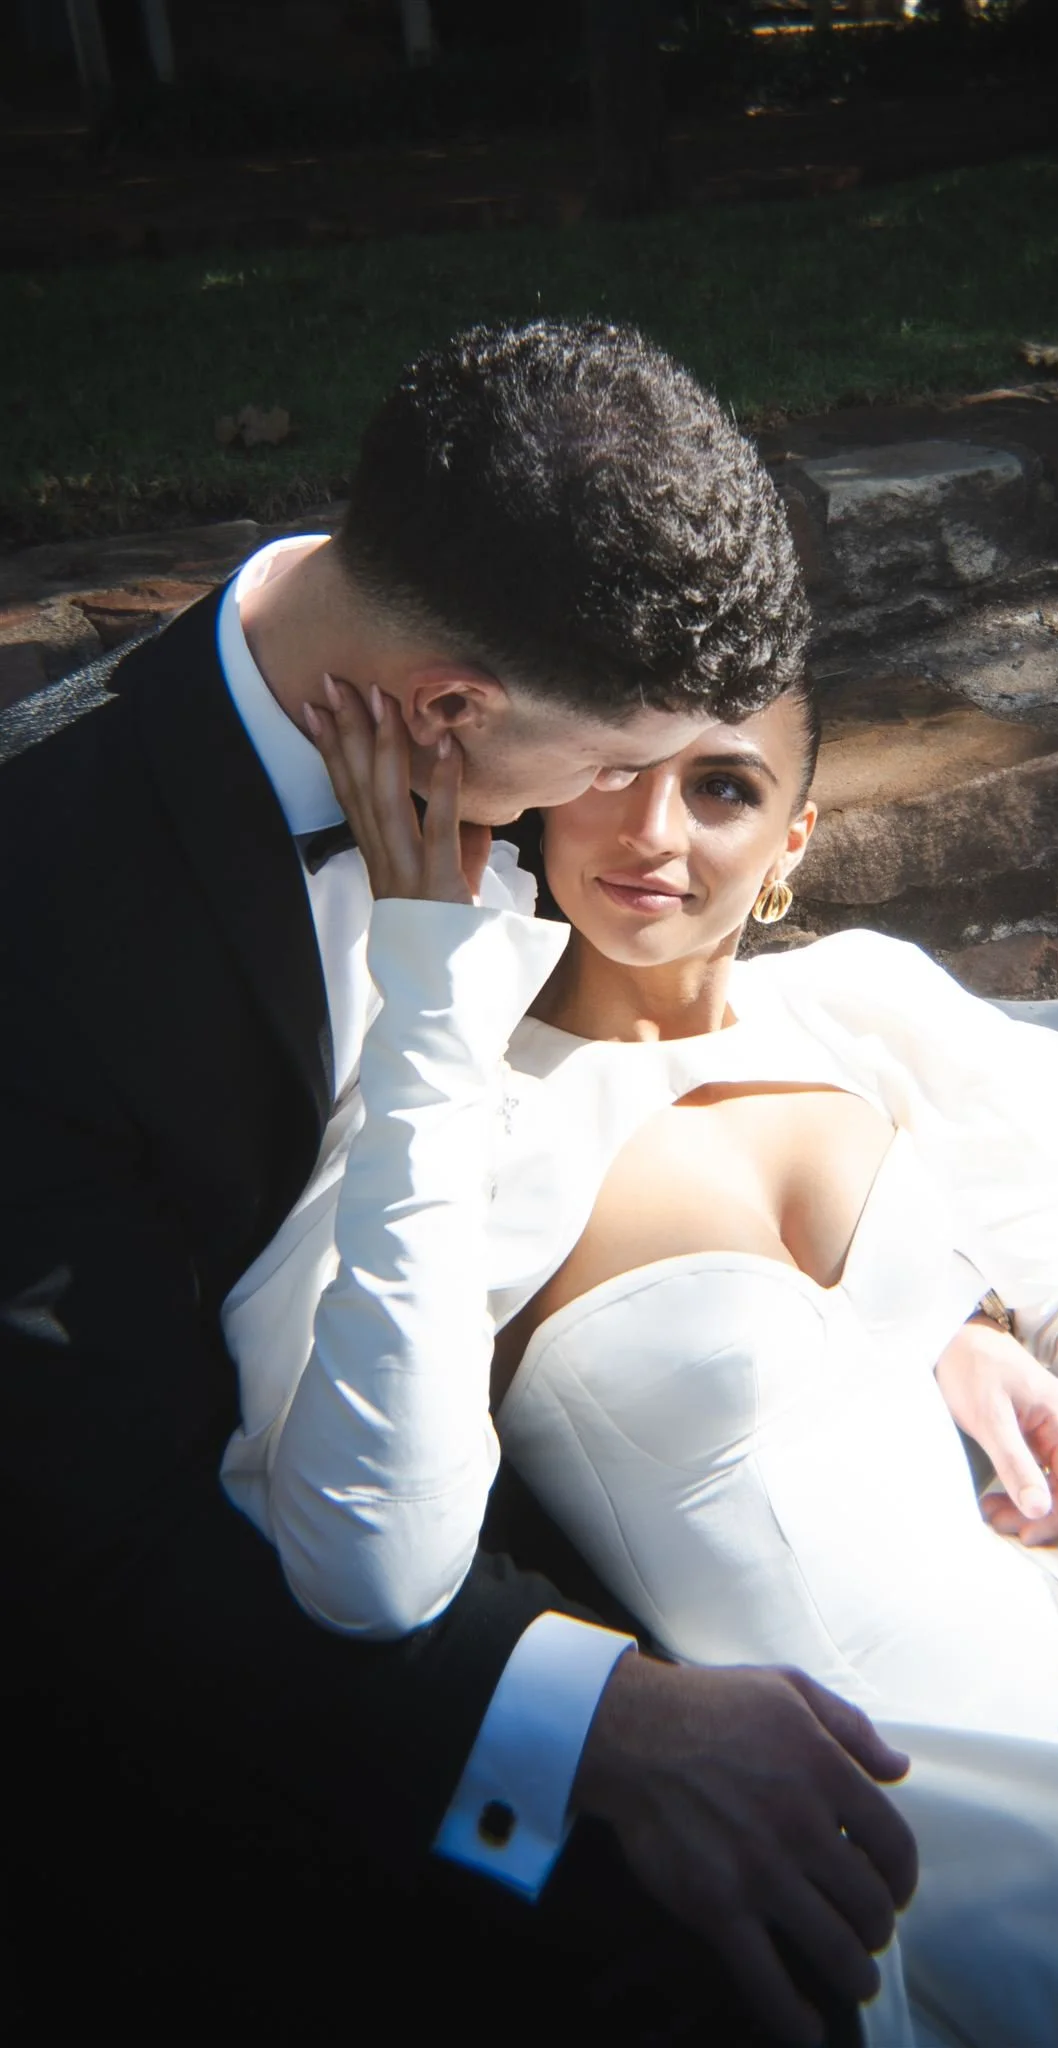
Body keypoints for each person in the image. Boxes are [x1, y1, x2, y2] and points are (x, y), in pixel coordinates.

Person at [0, 320, 921, 2045]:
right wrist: (578, 1721)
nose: (615, 818)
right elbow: (85, 1551)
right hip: (232, 1717)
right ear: (449, 713)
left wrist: (900, 1311)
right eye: (597, 765)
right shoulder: (32, 911)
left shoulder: (458, 739)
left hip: (528, 1504)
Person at [224, 674, 1058, 2045]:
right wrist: (426, 986)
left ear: (792, 844)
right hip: (920, 1796)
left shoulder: (853, 1001)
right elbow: (358, 1534)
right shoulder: (470, 1113)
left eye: (721, 788)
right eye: (615, 771)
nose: (655, 831)